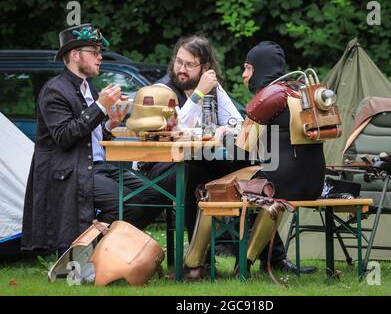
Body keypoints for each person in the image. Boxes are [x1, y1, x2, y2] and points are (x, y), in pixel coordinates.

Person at [21, 23, 166, 256]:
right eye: (94, 52)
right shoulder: (54, 90)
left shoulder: (89, 87)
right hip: (72, 172)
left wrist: (110, 124)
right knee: (129, 204)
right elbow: (65, 137)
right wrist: (100, 106)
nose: (100, 57)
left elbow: (90, 138)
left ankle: (103, 251)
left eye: (100, 52)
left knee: (154, 198)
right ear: (75, 54)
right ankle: (83, 254)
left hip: (98, 167)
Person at [181, 41, 321, 279]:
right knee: (249, 177)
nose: (244, 75)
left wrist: (223, 135)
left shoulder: (268, 97)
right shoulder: (302, 92)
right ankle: (263, 260)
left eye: (248, 68)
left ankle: (192, 264)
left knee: (209, 190)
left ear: (260, 68)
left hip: (279, 183)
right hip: (313, 181)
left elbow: (244, 148)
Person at [140, 35, 245, 244]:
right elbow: (172, 128)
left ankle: (254, 255)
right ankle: (196, 261)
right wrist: (198, 94)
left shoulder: (213, 89)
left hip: (197, 159)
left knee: (244, 172)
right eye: (179, 62)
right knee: (194, 179)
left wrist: (225, 128)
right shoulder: (163, 90)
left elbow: (239, 123)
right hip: (160, 165)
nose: (182, 68)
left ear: (205, 67)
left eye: (189, 64)